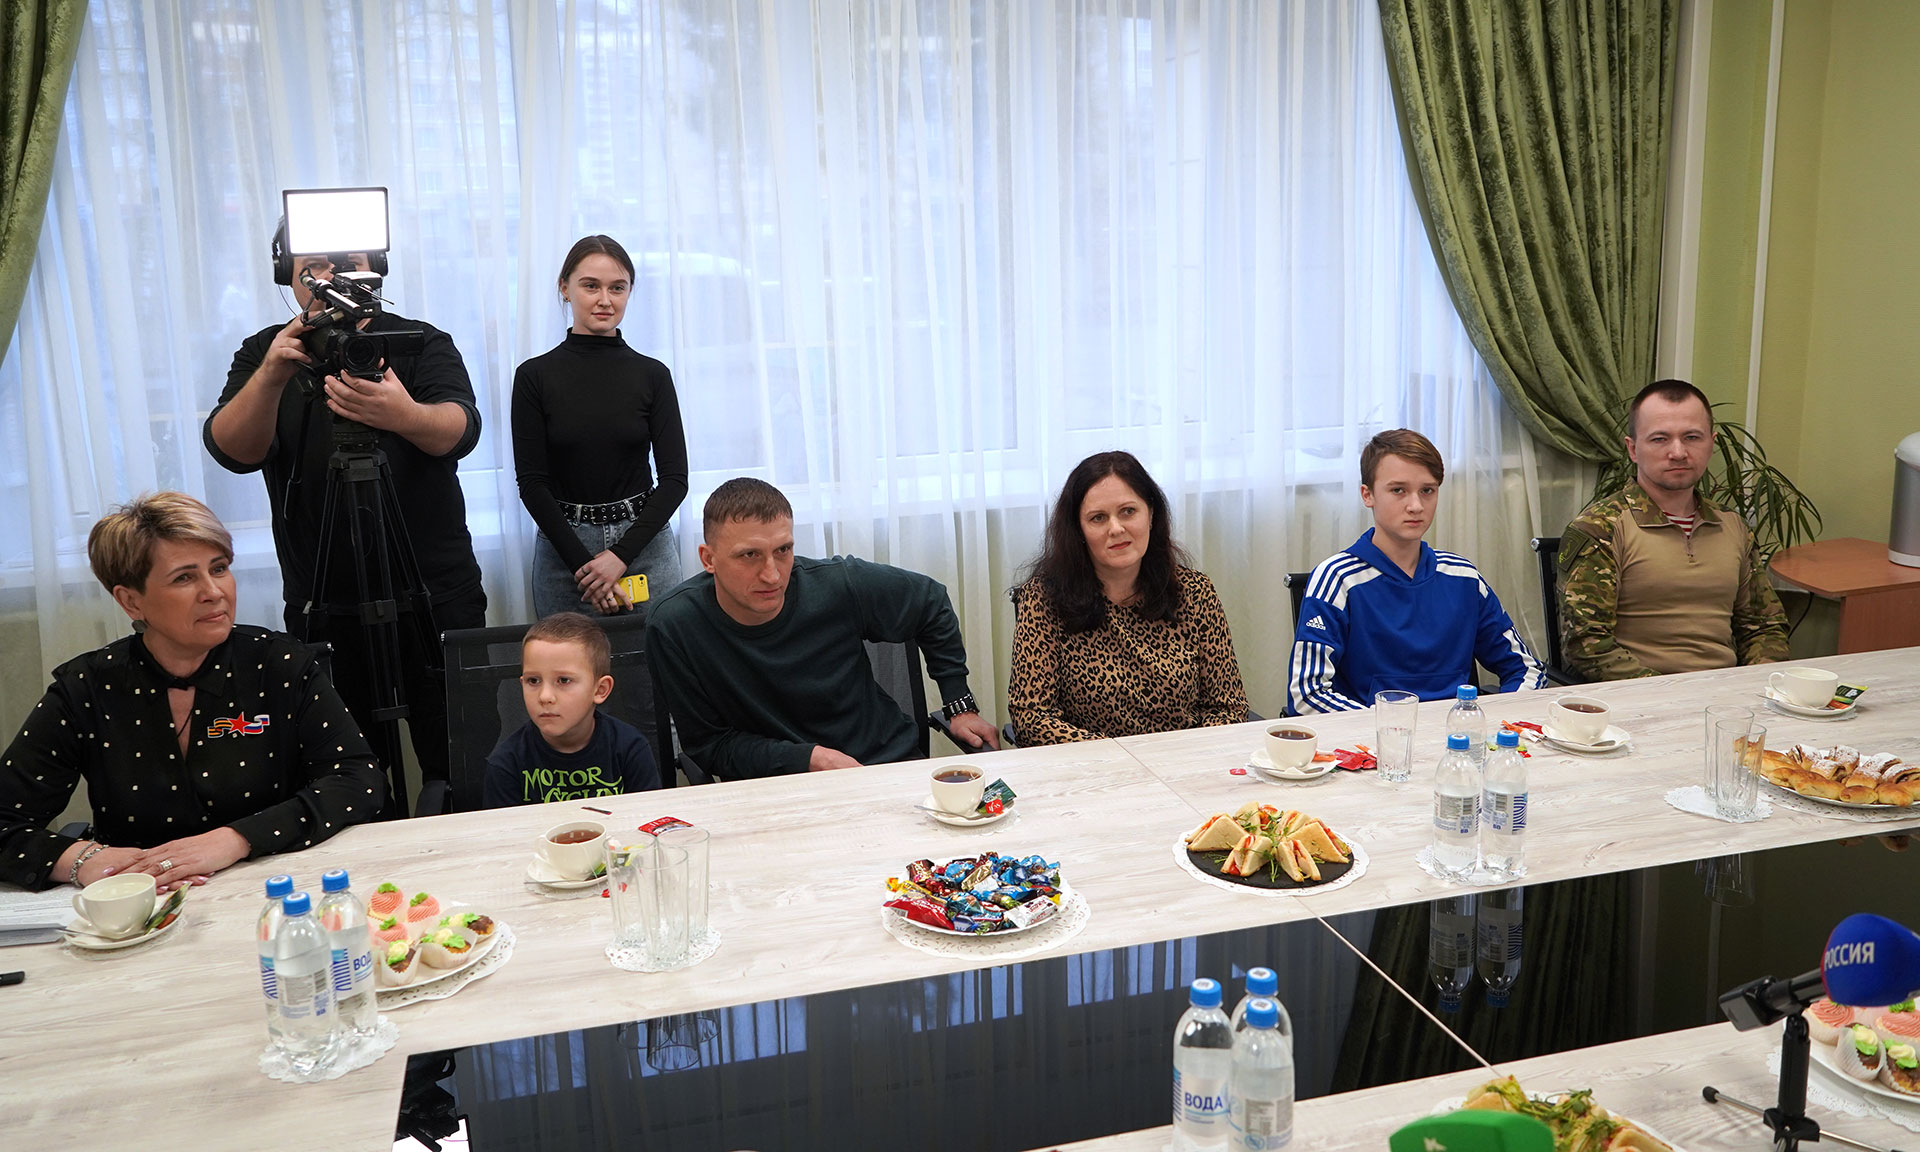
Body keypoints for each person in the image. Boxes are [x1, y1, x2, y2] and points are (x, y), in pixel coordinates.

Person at [203, 221, 486, 798]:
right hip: (325, 596)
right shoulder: (266, 352)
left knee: (462, 760)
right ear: (287, 275)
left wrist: (404, 415)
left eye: (349, 261)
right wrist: (273, 374)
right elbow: (232, 450)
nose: (332, 277)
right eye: (315, 266)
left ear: (377, 267)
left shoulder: (419, 340)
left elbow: (461, 429)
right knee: (347, 775)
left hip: (434, 591)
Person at [0, 493, 385, 892]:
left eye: (219, 569)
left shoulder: (280, 664)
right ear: (130, 601)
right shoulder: (86, 688)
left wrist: (235, 838)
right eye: (184, 577)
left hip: (275, 885)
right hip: (144, 898)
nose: (213, 591)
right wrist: (83, 860)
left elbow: (359, 780)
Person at [646, 478, 1001, 780]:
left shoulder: (837, 584)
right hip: (773, 788)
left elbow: (930, 601)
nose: (772, 575)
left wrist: (959, 705)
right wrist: (811, 759)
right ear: (708, 559)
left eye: (783, 550)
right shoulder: (675, 625)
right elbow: (710, 746)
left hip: (883, 766)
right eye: (749, 555)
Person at [1288, 429, 1545, 713]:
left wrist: (1490, 720)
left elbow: (1527, 670)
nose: (1416, 506)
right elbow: (1307, 695)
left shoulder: (1464, 578)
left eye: (1427, 491)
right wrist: (1391, 727)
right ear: (1367, 495)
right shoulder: (1337, 580)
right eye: (1398, 490)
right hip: (1374, 736)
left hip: (1458, 734)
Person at [1006, 451, 1247, 744]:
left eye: (1128, 511)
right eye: (1098, 518)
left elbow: (1228, 708)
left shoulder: (1195, 592)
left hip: (1185, 761)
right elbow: (1032, 719)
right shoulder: (1043, 600)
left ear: (1151, 515)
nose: (1116, 528)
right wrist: (1120, 756)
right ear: (1079, 529)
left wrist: (1184, 756)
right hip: (1093, 765)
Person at [1559, 380, 1789, 679]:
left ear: (1711, 443)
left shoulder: (1732, 525)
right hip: (1639, 695)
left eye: (1692, 437)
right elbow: (1587, 644)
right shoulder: (1601, 528)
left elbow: (1764, 627)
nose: (1678, 452)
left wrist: (1755, 683)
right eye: (1660, 439)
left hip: (1727, 694)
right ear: (1633, 449)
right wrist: (1672, 694)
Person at [512, 235, 688, 619]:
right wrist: (587, 567)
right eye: (591, 286)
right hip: (565, 553)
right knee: (569, 658)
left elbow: (675, 479)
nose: (605, 300)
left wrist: (618, 557)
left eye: (617, 288)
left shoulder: (653, 375)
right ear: (565, 288)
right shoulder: (533, 377)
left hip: (644, 545)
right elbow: (532, 483)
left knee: (655, 656)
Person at [480, 612, 661, 807]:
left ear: (600, 690)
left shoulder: (631, 749)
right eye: (533, 681)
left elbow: (649, 819)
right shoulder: (506, 764)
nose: (545, 697)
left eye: (564, 680)